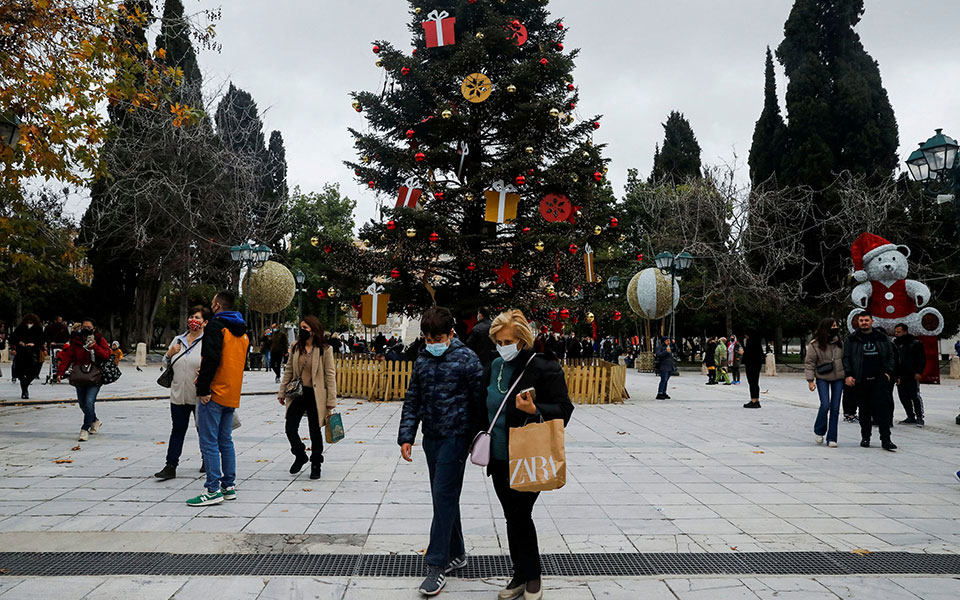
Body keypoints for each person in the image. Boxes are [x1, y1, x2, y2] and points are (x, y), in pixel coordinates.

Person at [476, 310, 574, 600]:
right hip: (498, 457)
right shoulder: (494, 366)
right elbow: (484, 408)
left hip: (528, 456)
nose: (502, 346)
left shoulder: (543, 367)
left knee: (520, 514)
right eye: (497, 340)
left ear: (521, 340)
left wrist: (535, 411)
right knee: (511, 516)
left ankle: (531, 577)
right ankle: (520, 575)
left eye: (507, 340)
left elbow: (564, 409)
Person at [397, 306, 483, 596]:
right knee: (442, 495)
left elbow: (478, 401)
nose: (433, 344)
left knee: (444, 495)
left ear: (451, 334)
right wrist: (406, 435)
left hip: (456, 437)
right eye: (428, 339)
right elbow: (413, 398)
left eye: (438, 338)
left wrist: (472, 436)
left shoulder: (467, 359)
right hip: (431, 436)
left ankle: (437, 564)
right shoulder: (422, 358)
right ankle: (457, 551)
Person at [188, 291, 249, 507]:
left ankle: (213, 488)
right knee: (225, 440)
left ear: (216, 305)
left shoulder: (216, 327)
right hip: (231, 393)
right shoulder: (242, 332)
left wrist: (203, 388)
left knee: (209, 441)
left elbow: (212, 358)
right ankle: (228, 485)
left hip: (214, 393)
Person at [155, 306, 211, 480]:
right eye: (192, 316)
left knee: (203, 430)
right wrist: (170, 353)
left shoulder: (208, 341)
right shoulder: (178, 340)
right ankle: (170, 465)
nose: (193, 320)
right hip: (178, 394)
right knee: (178, 430)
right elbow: (166, 363)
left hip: (199, 395)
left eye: (198, 317)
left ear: (205, 322)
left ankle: (207, 460)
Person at [279, 316, 337, 480]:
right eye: (301, 327)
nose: (302, 330)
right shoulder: (296, 347)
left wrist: (331, 399)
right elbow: (289, 371)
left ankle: (316, 462)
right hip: (297, 393)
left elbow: (330, 375)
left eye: (305, 327)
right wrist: (282, 392)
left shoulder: (324, 349)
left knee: (314, 430)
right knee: (290, 428)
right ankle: (300, 454)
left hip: (316, 394)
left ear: (313, 329)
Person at [842, 312, 897, 451]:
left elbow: (891, 355)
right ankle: (865, 437)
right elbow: (846, 358)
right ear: (858, 322)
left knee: (883, 410)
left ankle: (886, 439)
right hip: (860, 379)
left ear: (872, 321)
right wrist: (848, 374)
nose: (864, 323)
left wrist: (888, 373)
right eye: (861, 320)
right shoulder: (852, 339)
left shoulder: (882, 338)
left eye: (866, 320)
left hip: (879, 379)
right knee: (864, 410)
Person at [56, 319, 111, 440]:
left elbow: (106, 355)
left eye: (88, 327)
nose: (85, 329)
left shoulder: (100, 340)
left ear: (94, 328)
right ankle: (95, 420)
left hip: (95, 376)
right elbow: (67, 357)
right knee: (82, 404)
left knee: (89, 401)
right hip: (80, 374)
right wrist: (60, 372)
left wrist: (95, 347)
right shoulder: (76, 342)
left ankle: (85, 428)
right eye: (83, 327)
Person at [804, 318, 845, 447]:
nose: (835, 328)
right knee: (825, 404)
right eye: (833, 326)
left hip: (838, 376)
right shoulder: (814, 344)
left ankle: (832, 437)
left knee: (835, 407)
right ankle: (819, 429)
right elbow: (809, 362)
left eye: (836, 325)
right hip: (822, 376)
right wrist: (810, 381)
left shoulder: (839, 342)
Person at [893, 323, 926, 427]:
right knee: (903, 396)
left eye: (899, 332)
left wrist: (919, 372)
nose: (896, 334)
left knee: (914, 396)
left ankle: (919, 417)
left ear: (905, 331)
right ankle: (910, 416)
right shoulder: (895, 343)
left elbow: (922, 359)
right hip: (900, 375)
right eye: (896, 332)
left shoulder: (915, 343)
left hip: (912, 374)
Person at [10, 314, 45, 399]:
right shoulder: (20, 328)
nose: (29, 323)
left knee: (33, 373)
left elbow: (42, 340)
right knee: (21, 373)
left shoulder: (38, 329)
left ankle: (25, 387)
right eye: (28, 322)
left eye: (31, 322)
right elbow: (13, 338)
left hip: (33, 352)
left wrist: (34, 344)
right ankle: (24, 391)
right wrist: (19, 342)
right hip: (22, 352)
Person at [742, 332, 765, 408]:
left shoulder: (751, 342)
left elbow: (748, 354)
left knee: (752, 382)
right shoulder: (757, 342)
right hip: (757, 363)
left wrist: (743, 353)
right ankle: (756, 400)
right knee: (755, 382)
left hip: (751, 364)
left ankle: (753, 400)